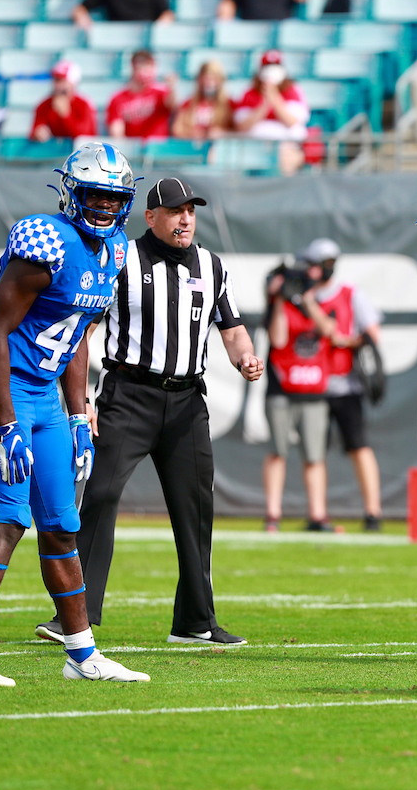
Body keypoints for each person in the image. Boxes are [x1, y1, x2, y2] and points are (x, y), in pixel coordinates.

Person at [34, 177, 262, 648]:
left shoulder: (212, 266)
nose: (185, 219)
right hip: (128, 395)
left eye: (191, 211)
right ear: (150, 216)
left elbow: (233, 327)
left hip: (185, 403)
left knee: (196, 510)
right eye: (176, 211)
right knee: (100, 496)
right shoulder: (119, 257)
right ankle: (75, 617)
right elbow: (84, 333)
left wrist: (246, 358)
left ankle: (196, 621)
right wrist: (81, 406)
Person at [0, 142, 149, 685]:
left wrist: (79, 416)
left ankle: (81, 655)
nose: (105, 207)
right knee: (8, 521)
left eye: (114, 198)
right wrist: (6, 420)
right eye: (95, 196)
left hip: (48, 401)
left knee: (62, 525)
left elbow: (77, 337)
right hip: (4, 389)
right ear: (71, 193)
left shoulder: (116, 250)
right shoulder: (46, 242)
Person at [300, 237, 384, 532]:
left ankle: (373, 512)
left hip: (346, 385)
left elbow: (373, 334)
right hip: (312, 385)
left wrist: (348, 341)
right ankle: (317, 514)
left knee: (359, 447)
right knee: (314, 451)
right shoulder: (303, 297)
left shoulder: (350, 294)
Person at [263, 252, 344, 532]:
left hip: (313, 392)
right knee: (278, 451)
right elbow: (278, 338)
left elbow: (330, 332)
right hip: (282, 390)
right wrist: (281, 300)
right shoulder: (278, 307)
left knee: (315, 455)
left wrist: (308, 300)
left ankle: (317, 515)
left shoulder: (321, 305)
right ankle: (273, 514)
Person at [233, 50, 310, 175]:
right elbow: (242, 126)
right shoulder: (249, 92)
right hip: (255, 148)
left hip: (285, 147)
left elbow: (292, 122)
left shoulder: (293, 90)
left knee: (288, 155)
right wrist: (264, 104)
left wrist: (274, 98)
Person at [106, 50, 177, 139]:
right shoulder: (118, 98)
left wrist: (172, 87)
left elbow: (173, 106)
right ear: (133, 68)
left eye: (149, 67)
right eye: (142, 67)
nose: (146, 71)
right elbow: (116, 133)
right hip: (132, 149)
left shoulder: (161, 93)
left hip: (157, 148)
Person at [30, 61, 98, 143]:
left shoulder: (84, 104)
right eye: (56, 80)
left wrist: (66, 115)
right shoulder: (45, 105)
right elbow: (34, 132)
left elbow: (84, 137)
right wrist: (38, 133)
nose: (58, 85)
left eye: (62, 81)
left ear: (73, 83)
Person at [172, 60, 234, 139]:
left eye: (212, 79)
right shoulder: (189, 103)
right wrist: (191, 134)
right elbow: (177, 130)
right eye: (205, 79)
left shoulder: (229, 104)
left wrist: (222, 133)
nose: (208, 83)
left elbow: (239, 130)